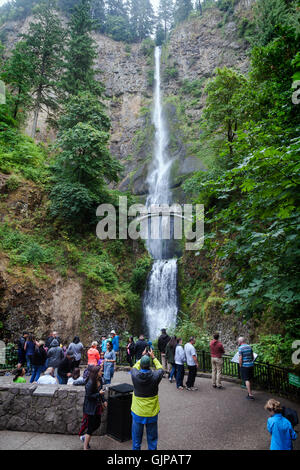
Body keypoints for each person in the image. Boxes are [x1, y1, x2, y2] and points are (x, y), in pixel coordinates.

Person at [130, 348, 164, 450]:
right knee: (152, 440)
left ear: (141, 365)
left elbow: (134, 367)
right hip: (152, 412)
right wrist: (153, 357)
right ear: (149, 365)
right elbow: (160, 369)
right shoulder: (155, 376)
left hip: (138, 412)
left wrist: (141, 357)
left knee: (136, 440)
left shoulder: (134, 375)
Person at [79, 365, 107, 450]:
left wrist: (104, 400)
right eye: (100, 371)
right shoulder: (90, 382)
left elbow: (100, 391)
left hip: (97, 407)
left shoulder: (100, 380)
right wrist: (99, 394)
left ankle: (84, 438)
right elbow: (89, 396)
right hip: (90, 408)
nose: (101, 372)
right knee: (91, 427)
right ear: (96, 372)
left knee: (97, 424)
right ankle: (85, 447)